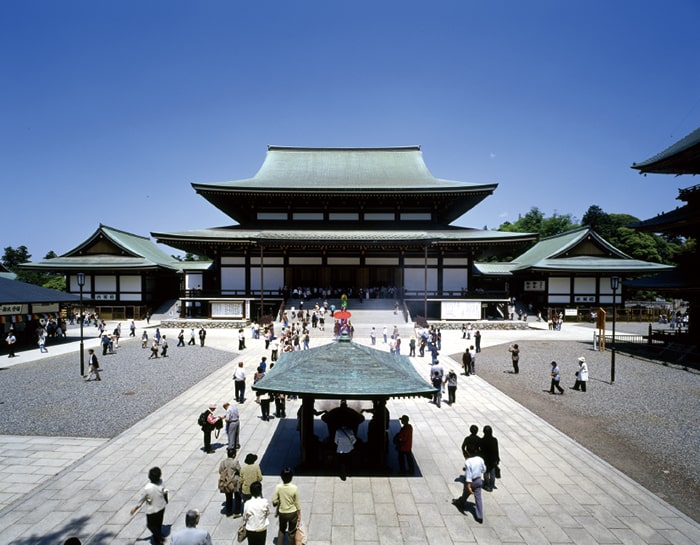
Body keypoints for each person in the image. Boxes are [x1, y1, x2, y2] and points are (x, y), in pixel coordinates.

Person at [130, 467, 168, 545]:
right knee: (158, 523)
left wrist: (136, 508)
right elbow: (165, 491)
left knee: (150, 525)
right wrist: (166, 500)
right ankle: (157, 537)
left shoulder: (147, 488)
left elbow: (142, 499)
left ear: (149, 476)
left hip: (152, 510)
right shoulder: (161, 482)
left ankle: (159, 537)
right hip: (161, 506)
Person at [452, 445, 486, 523]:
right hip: (479, 480)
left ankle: (460, 503)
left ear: (468, 452)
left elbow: (468, 475)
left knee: (465, 494)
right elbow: (484, 469)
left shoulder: (468, 462)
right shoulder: (480, 459)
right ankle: (479, 516)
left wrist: (468, 486)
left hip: (471, 482)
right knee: (478, 498)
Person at [272, 467, 301, 545]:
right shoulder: (294, 488)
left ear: (281, 477)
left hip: (282, 512)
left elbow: (274, 501)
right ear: (291, 477)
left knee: (281, 530)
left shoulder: (278, 487)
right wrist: (299, 514)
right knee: (292, 532)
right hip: (292, 513)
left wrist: (279, 500)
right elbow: (297, 503)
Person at [243, 481, 270, 545]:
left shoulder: (247, 503)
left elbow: (244, 517)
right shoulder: (264, 502)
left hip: (251, 529)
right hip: (261, 529)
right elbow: (267, 513)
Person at [219, 449, 242, 517]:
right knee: (237, 496)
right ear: (234, 455)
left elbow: (220, 471)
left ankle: (228, 511)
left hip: (227, 482)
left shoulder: (223, 462)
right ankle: (237, 511)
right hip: (234, 482)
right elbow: (240, 470)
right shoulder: (235, 462)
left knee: (228, 497)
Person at [480, 425, 500, 492]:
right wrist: (497, 458)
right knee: (492, 473)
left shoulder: (482, 440)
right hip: (493, 459)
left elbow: (481, 451)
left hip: (485, 459)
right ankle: (492, 485)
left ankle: (487, 484)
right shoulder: (494, 440)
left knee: (486, 472)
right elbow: (496, 450)